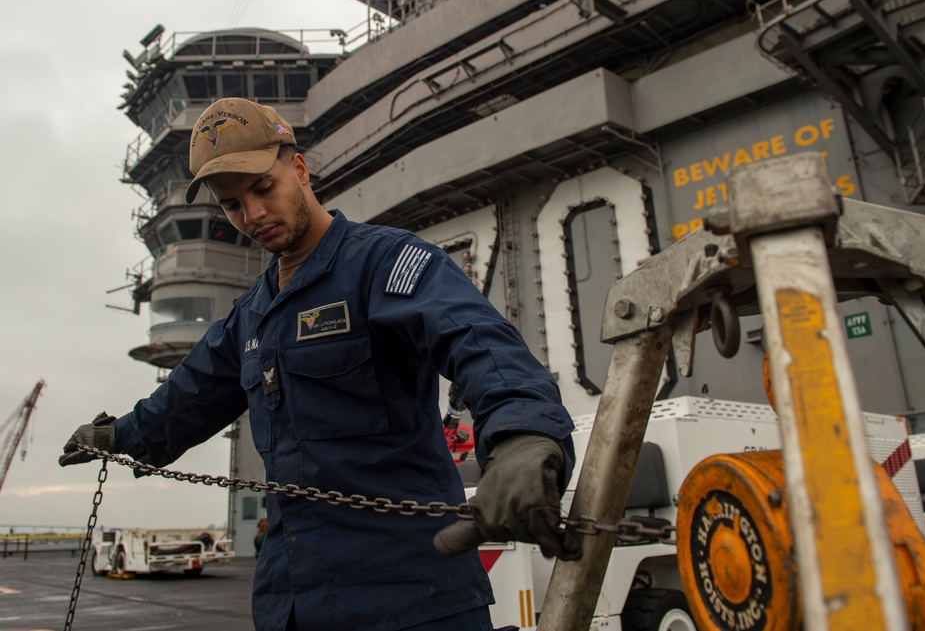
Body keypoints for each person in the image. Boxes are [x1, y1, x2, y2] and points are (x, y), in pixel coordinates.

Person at [59, 97, 580, 631]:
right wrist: (116, 437)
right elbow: (182, 403)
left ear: (300, 168)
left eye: (264, 189)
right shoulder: (250, 318)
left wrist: (522, 433)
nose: (253, 215)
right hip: (292, 602)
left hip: (414, 599)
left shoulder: (388, 262)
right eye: (233, 205)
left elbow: (477, 339)